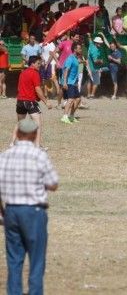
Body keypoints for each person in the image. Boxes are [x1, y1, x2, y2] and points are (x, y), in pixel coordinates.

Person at [0, 118, 58, 295]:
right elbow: (53, 183)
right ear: (34, 135)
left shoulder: (4, 156)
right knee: (37, 259)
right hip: (34, 211)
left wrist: (2, 212)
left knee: (14, 259)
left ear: (17, 134)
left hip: (11, 211)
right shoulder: (39, 156)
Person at [10, 56, 52, 148]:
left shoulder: (23, 73)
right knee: (38, 124)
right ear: (32, 63)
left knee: (19, 123)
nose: (40, 65)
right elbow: (38, 89)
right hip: (29, 101)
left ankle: (12, 143)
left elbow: (19, 88)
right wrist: (46, 101)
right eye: (38, 63)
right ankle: (37, 146)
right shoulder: (35, 73)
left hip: (20, 101)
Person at [61, 43, 83, 124]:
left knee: (78, 99)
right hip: (69, 82)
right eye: (79, 48)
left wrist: (77, 82)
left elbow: (77, 70)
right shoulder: (70, 58)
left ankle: (71, 116)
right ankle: (64, 117)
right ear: (75, 49)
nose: (81, 50)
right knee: (70, 99)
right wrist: (65, 82)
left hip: (74, 83)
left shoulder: (76, 58)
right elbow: (66, 70)